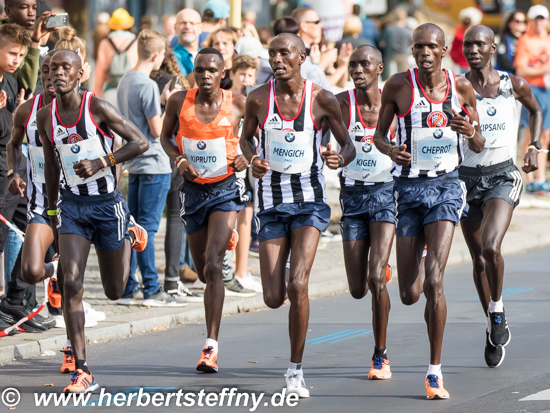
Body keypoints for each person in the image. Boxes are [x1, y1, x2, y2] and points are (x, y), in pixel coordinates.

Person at [373, 23, 484, 399]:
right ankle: (417, 254)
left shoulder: (461, 87)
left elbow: (480, 141)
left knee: (435, 282)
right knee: (409, 293)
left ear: (442, 51)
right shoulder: (397, 86)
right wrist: (391, 151)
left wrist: (468, 129)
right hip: (406, 191)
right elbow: (378, 136)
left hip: (446, 188)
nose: (423, 52)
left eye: (431, 47)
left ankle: (434, 372)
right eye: (418, 46)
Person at [240, 33, 355, 397]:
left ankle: (295, 370)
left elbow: (347, 143)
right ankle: (288, 271)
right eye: (272, 53)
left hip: (309, 202)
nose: (277, 58)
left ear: (302, 57)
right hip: (271, 203)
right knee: (273, 298)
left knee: (298, 286)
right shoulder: (258, 98)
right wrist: (252, 159)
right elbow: (245, 139)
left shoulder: (322, 99)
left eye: (284, 52)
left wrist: (339, 158)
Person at [37, 49, 149, 393]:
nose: (58, 73)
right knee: (71, 282)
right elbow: (53, 163)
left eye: (65, 67)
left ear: (79, 74)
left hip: (107, 206)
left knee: (115, 291)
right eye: (53, 67)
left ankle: (130, 235)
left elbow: (140, 142)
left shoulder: (96, 107)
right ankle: (82, 369)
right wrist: (53, 211)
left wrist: (103, 161)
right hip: (72, 208)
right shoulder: (45, 116)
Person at [160, 48, 251, 374]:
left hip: (225, 190)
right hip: (193, 192)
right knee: (202, 271)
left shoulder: (238, 102)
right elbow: (165, 137)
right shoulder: (178, 101)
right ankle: (222, 237)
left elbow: (255, 138)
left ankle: (210, 345)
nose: (205, 76)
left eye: (212, 70)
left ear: (222, 72)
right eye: (200, 70)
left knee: (213, 265)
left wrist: (246, 156)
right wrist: (180, 160)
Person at [460, 25, 542, 367]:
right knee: (478, 258)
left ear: (494, 47)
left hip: (502, 175)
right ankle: (494, 316)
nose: (474, 48)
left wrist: (535, 146)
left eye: (480, 43)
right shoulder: (457, 87)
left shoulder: (513, 84)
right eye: (468, 44)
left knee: (491, 246)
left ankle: (496, 308)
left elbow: (537, 111)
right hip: (464, 180)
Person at [331, 45, 394, 380]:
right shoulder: (340, 103)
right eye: (353, 64)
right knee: (358, 288)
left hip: (387, 193)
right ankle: (378, 269)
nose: (357, 69)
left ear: (379, 68)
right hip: (353, 197)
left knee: (374, 278)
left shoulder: (393, 102)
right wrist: (335, 157)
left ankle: (380, 355)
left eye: (364, 64)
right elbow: (332, 141)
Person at [5, 51, 70, 364]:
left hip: (77, 207)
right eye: (46, 69)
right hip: (41, 204)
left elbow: (111, 148)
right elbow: (13, 143)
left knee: (84, 285)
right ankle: (52, 272)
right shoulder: (27, 109)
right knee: (32, 270)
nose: (51, 75)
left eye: (59, 69)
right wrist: (13, 172)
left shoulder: (85, 106)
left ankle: (74, 351)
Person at [117, 30, 185, 307]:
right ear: (157, 55)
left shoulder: (124, 81)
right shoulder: (147, 85)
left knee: (133, 227)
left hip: (134, 163)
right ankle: (152, 288)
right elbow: (157, 130)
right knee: (148, 228)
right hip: (154, 163)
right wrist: (167, 102)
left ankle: (128, 287)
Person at [0, 23, 46, 332]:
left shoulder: (13, 81)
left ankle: (16, 300)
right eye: (11, 53)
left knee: (33, 230)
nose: (17, 59)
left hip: (12, 170)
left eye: (20, 54)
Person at [514, 5, 550, 193]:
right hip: (531, 89)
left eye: (542, 18)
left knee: (545, 135)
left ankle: (541, 178)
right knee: (529, 133)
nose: (539, 22)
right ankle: (528, 178)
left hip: (547, 90)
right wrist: (543, 70)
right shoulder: (525, 40)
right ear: (531, 20)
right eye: (536, 18)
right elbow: (521, 70)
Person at [2, 0, 59, 93]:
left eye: (34, 8)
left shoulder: (28, 36)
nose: (31, 13)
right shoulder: (3, 36)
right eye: (24, 7)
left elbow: (27, 89)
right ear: (8, 11)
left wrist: (35, 40)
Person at [92, 8, 138, 102]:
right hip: (132, 89)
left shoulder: (105, 43)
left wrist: (96, 96)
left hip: (111, 89)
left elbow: (100, 72)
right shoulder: (135, 42)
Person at [378, 7, 413, 80]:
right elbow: (412, 44)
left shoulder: (388, 29)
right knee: (405, 80)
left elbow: (382, 43)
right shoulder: (408, 30)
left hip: (390, 56)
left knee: (389, 79)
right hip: (403, 56)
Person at [450, 7, 483, 74]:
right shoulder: (476, 35)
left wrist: (456, 61)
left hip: (459, 65)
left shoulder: (457, 34)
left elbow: (452, 51)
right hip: (474, 64)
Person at [171, 9, 202, 78]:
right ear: (175, 27)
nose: (188, 27)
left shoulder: (206, 55)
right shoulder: (170, 57)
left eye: (192, 23)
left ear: (200, 27)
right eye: (183, 23)